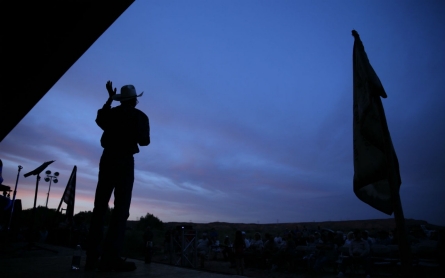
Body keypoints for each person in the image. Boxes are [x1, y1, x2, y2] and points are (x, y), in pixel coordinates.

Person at [85, 81, 150, 271]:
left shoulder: (111, 113)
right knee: (121, 210)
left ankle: (91, 257)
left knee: (100, 207)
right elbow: (145, 141)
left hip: (107, 159)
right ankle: (111, 257)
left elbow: (99, 119)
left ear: (121, 99)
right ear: (135, 100)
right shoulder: (140, 116)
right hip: (124, 162)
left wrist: (109, 99)